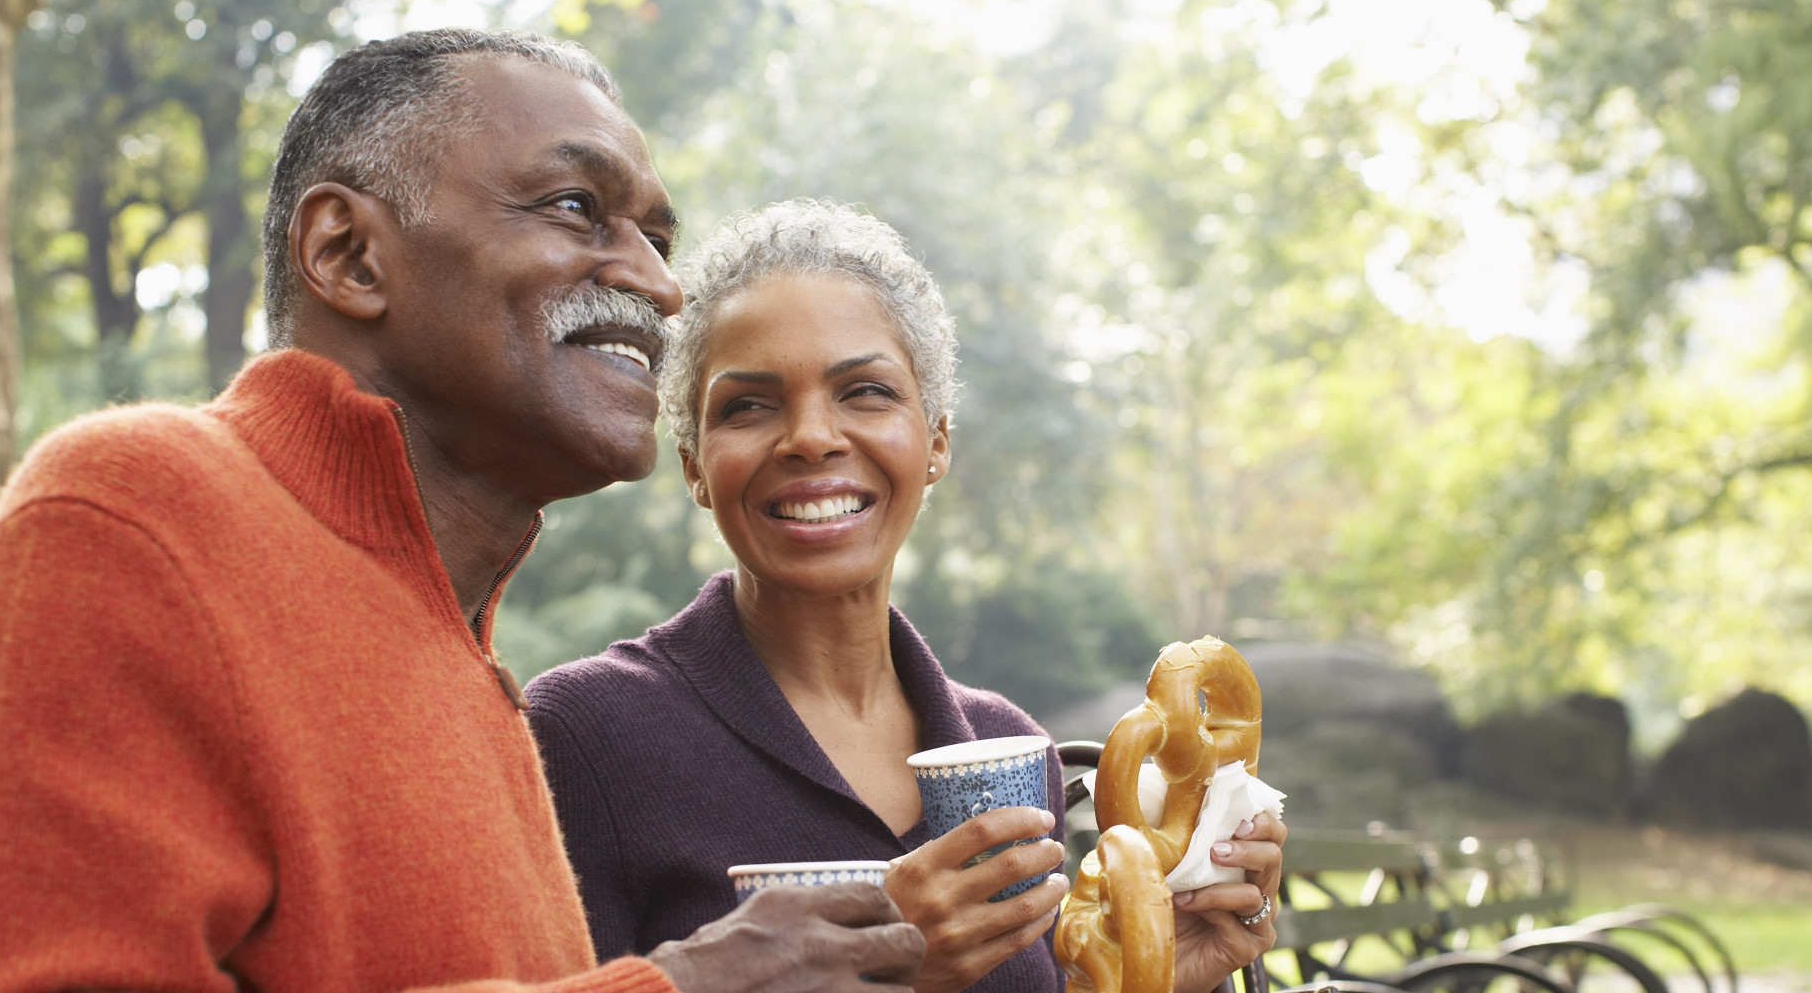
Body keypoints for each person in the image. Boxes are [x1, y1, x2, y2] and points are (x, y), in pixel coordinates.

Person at [0, 31, 922, 993]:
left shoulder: (467, 662)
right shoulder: (131, 512)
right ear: (349, 253)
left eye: (655, 238)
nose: (661, 286)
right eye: (577, 207)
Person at [526, 199, 1286, 993]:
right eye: (749, 405)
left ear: (936, 441)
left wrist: (1165, 971)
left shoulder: (1010, 746)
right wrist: (885, 968)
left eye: (865, 392)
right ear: (693, 465)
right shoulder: (587, 735)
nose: (811, 437)